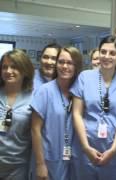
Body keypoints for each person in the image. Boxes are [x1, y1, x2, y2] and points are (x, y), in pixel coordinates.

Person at [71, 35, 116, 180]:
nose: (107, 56)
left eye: (112, 53)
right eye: (103, 51)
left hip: (113, 150)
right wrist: (86, 147)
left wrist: (113, 150)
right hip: (85, 148)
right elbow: (76, 114)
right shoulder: (85, 77)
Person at [31, 46, 83, 180]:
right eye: (61, 62)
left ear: (76, 66)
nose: (64, 66)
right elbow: (35, 130)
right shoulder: (45, 91)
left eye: (70, 63)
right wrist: (40, 164)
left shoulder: (80, 92)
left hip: (73, 160)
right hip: (49, 160)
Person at [0, 49, 34, 179]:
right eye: (4, 67)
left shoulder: (34, 99)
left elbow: (36, 134)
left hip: (18, 167)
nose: (8, 71)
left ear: (25, 70)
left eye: (14, 67)